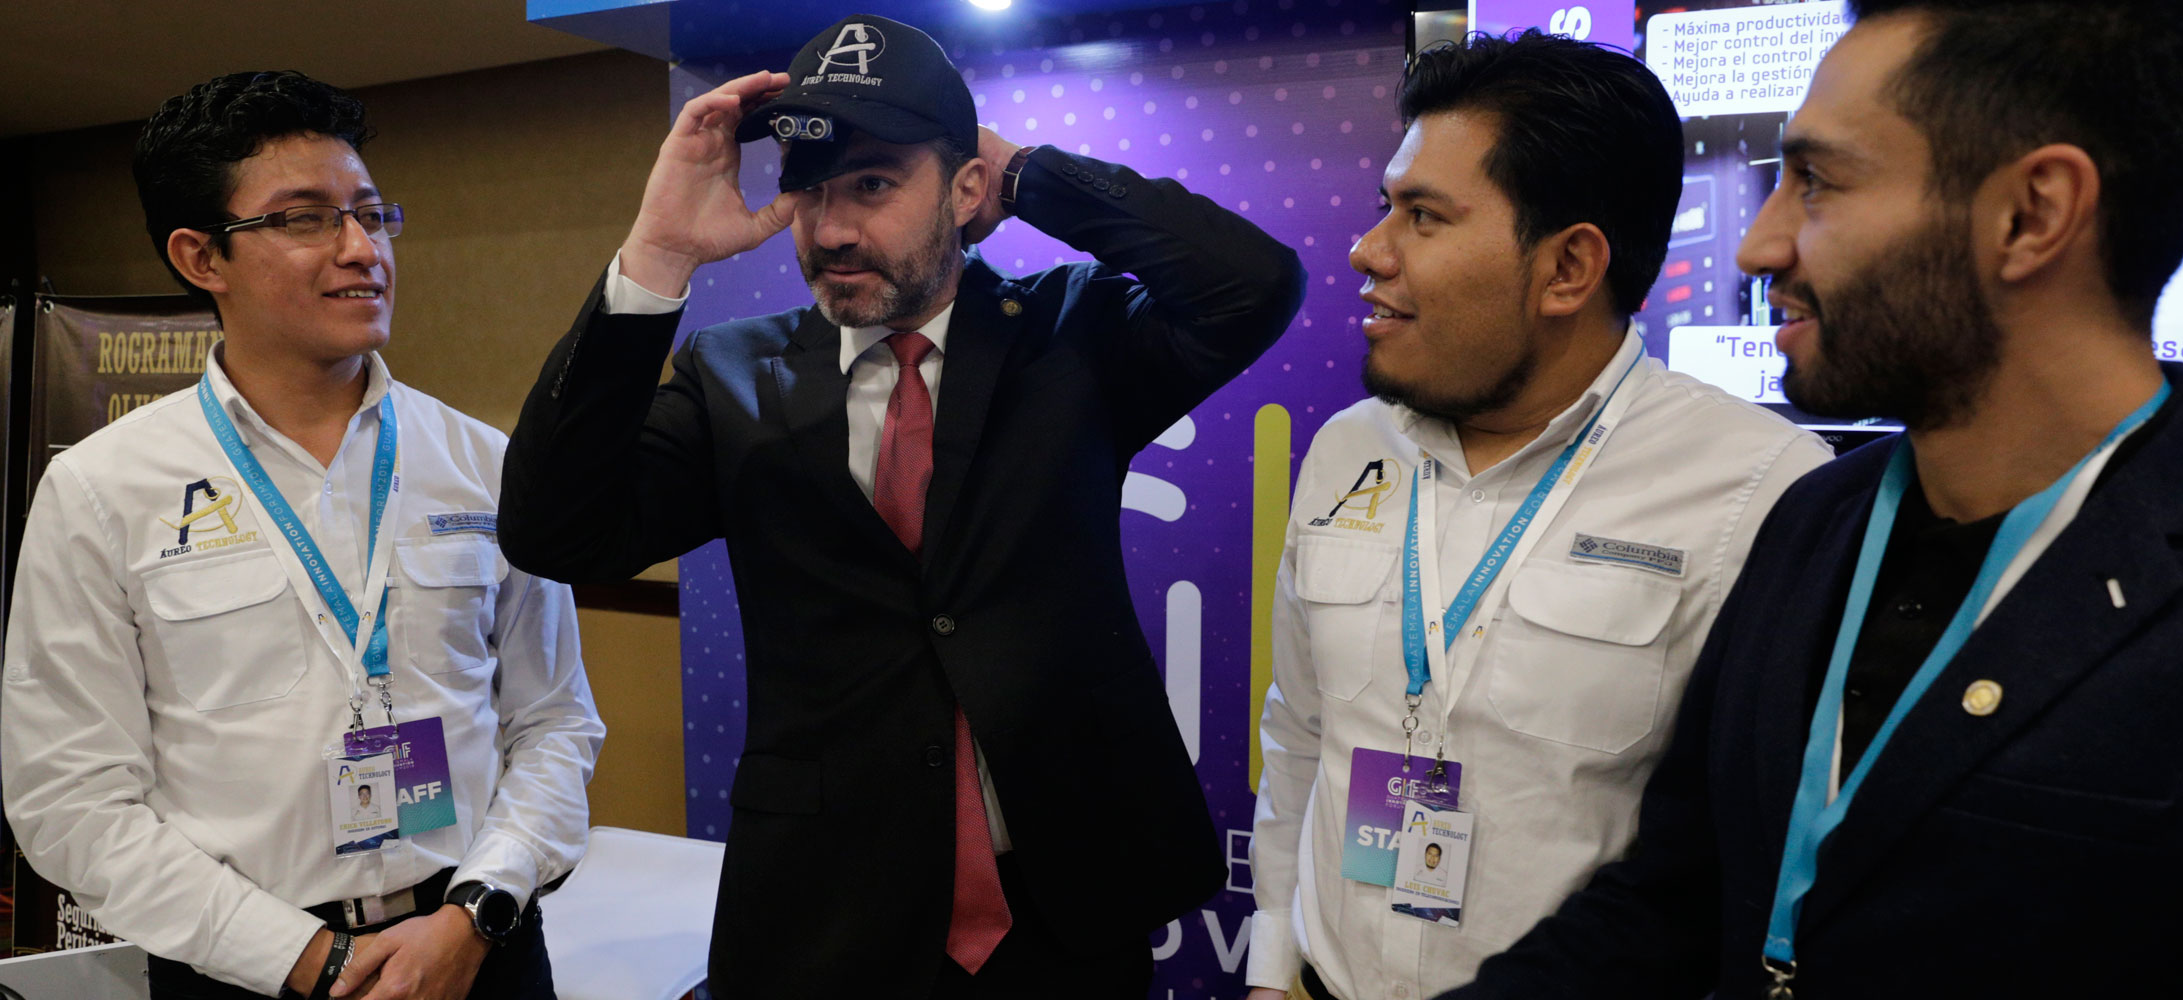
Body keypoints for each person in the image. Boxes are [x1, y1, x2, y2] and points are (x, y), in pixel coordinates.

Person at [495, 13, 1304, 999]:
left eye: (872, 185)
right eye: (810, 190)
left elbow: (1251, 285)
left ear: (963, 190)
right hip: (826, 918)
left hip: (1064, 909)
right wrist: (656, 254)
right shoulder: (732, 376)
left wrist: (1027, 176)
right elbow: (554, 530)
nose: (832, 229)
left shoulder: (1071, 338)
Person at [1458, 1, 2183, 996]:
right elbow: (1675, 902)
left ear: (2032, 215)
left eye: (1816, 182)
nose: (1756, 247)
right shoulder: (1815, 521)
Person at [1245, 32, 1832, 1000]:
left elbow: (1740, 852)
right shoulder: (1351, 448)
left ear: (1568, 268)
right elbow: (1301, 731)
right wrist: (1274, 965)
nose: (1368, 250)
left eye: (1423, 216)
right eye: (1387, 206)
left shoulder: (1762, 491)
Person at [1, 71, 603, 1000]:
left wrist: (476, 913)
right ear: (202, 258)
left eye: (370, 213)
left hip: (481, 949)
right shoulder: (102, 489)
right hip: (247, 971)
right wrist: (311, 960)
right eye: (306, 219)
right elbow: (70, 798)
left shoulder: (485, 464)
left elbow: (554, 721)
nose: (362, 249)